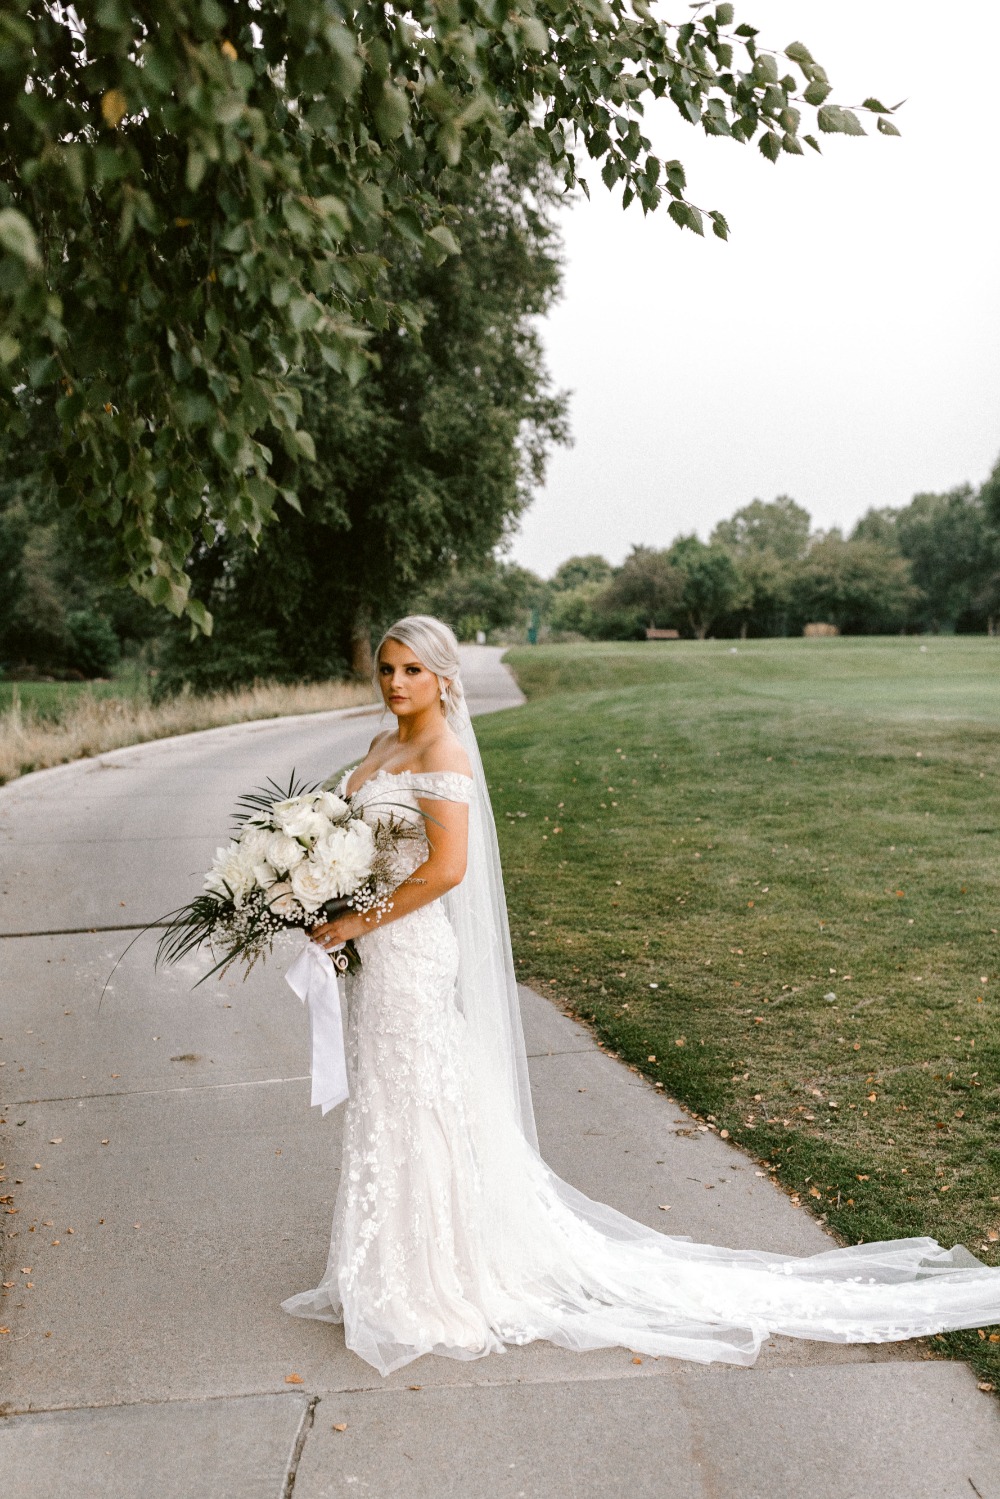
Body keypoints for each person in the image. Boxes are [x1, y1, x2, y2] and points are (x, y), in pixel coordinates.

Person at [281, 615, 1000, 1376]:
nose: (395, 682)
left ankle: (431, 1277)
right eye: (388, 668)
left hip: (411, 951)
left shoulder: (442, 751)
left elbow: (447, 869)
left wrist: (360, 915)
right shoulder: (378, 747)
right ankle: (379, 1260)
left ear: (444, 678)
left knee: (418, 1098)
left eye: (412, 671)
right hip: (372, 954)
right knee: (386, 1098)